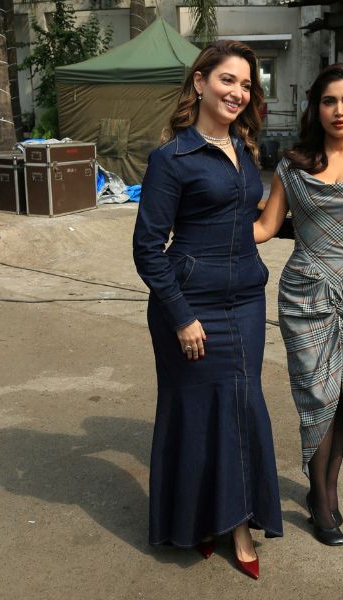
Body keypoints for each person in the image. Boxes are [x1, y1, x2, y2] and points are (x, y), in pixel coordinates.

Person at [132, 40, 283, 580]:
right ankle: (198, 521)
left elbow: (248, 221)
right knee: (194, 412)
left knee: (242, 405)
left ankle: (237, 523)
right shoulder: (171, 158)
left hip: (246, 300)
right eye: (228, 80)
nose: (238, 92)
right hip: (191, 303)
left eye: (246, 84)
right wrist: (181, 315)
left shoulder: (243, 150)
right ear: (200, 83)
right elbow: (147, 247)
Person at [254, 64, 343, 546]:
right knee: (317, 394)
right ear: (315, 108)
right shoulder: (293, 166)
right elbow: (266, 227)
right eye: (329, 101)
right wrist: (203, 226)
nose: (339, 110)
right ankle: (320, 498)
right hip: (305, 294)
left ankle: (326, 489)